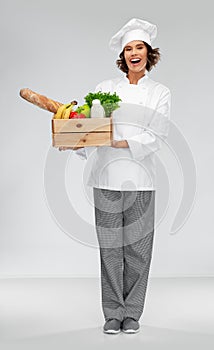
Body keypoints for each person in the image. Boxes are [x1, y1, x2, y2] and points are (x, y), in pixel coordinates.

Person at [60, 18, 171, 334]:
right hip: (106, 177)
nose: (134, 53)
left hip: (142, 179)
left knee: (138, 248)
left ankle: (132, 312)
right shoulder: (104, 89)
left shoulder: (160, 92)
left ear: (149, 54)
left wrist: (120, 141)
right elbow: (91, 126)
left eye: (140, 47)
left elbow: (158, 134)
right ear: (122, 57)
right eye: (128, 49)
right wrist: (73, 142)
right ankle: (112, 312)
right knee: (110, 247)